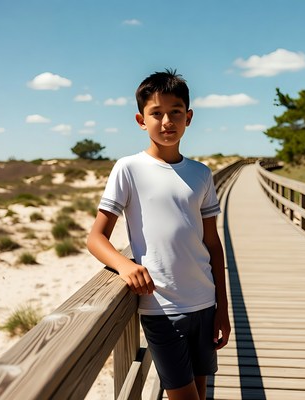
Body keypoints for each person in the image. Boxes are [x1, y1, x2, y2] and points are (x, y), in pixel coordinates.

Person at [87, 69, 230, 400]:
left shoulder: (201, 174)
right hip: (161, 308)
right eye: (156, 113)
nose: (167, 121)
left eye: (176, 112)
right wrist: (125, 266)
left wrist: (222, 308)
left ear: (189, 117)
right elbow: (96, 237)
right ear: (141, 120)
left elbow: (213, 245)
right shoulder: (129, 168)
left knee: (201, 393)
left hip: (205, 305)